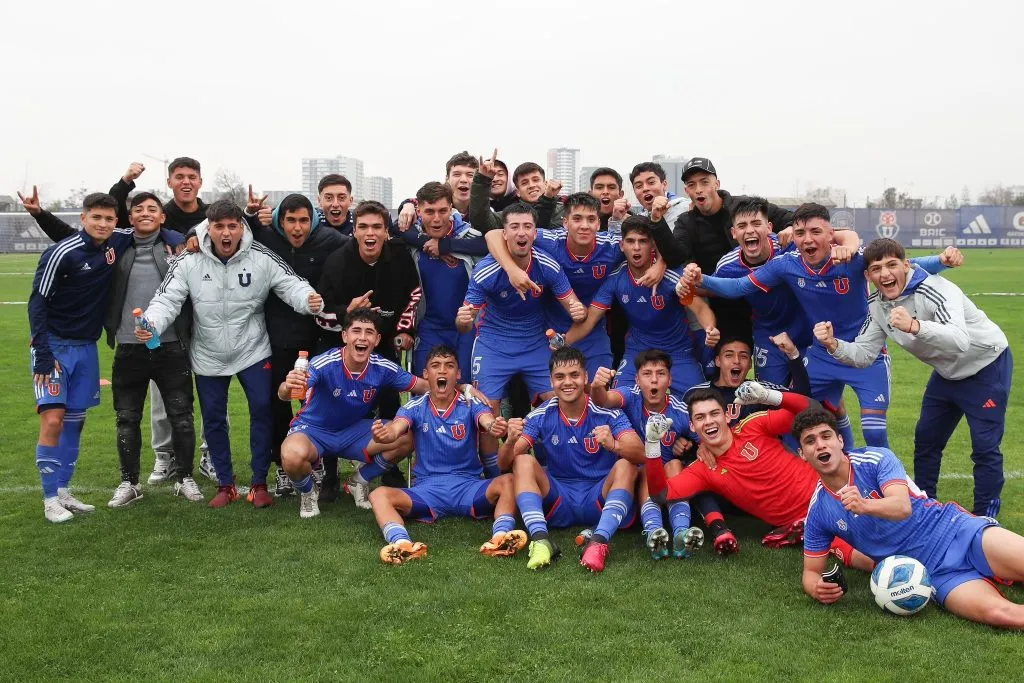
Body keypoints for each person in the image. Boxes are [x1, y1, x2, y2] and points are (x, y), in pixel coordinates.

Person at [686, 202, 960, 449]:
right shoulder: (786, 265)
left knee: (874, 433)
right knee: (797, 418)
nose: (808, 239)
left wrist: (941, 261)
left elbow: (898, 265)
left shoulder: (850, 259)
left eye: (816, 232)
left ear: (831, 235)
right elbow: (737, 286)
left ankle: (886, 489)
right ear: (793, 236)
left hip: (867, 353)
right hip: (822, 355)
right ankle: (803, 483)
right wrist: (702, 279)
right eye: (801, 233)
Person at [137, 200, 322, 509]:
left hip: (253, 350)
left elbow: (290, 283)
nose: (226, 233)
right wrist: (151, 323)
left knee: (262, 412)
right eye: (219, 227)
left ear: (241, 228)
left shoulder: (261, 257)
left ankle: (259, 483)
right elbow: (167, 298)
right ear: (209, 229)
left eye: (232, 226)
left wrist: (308, 299)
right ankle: (226, 485)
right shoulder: (190, 260)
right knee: (213, 420)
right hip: (208, 354)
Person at [814, 238, 1011, 518]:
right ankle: (925, 509)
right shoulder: (877, 305)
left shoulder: (936, 289)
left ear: (907, 265)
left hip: (986, 366)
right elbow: (865, 354)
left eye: (892, 265)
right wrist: (833, 344)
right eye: (877, 268)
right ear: (868, 276)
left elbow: (960, 340)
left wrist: (915, 326)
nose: (885, 274)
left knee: (984, 447)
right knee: (927, 440)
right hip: (946, 373)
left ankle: (985, 519)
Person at [795, 407, 1024, 630]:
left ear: (840, 441)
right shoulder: (819, 511)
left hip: (958, 532)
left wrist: (864, 505)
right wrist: (815, 587)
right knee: (1002, 613)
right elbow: (811, 572)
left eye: (826, 436)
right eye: (810, 441)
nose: (821, 444)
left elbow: (902, 507)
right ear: (802, 454)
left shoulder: (876, 459)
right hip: (934, 574)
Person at [644, 383, 854, 552]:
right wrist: (652, 445)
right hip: (809, 523)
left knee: (876, 523)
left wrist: (770, 397)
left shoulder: (753, 426)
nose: (708, 422)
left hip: (835, 491)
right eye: (700, 417)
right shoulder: (703, 468)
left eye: (714, 413)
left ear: (726, 415)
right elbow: (660, 494)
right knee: (856, 552)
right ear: (692, 426)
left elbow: (813, 411)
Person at [365, 344, 527, 564]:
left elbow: (486, 421)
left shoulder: (470, 403)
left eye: (449, 366)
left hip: (468, 487)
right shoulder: (414, 406)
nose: (442, 371)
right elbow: (396, 428)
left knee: (509, 481)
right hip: (428, 491)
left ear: (458, 374)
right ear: (426, 374)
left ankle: (500, 538)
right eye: (435, 366)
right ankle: (402, 544)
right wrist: (386, 434)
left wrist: (494, 426)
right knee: (378, 494)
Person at [28, 192, 136, 522]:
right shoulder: (61, 253)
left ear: (116, 221)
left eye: (109, 218)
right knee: (53, 420)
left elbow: (154, 226)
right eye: (96, 217)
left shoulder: (117, 241)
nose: (103, 224)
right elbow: (37, 303)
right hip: (54, 347)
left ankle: (62, 491)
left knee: (75, 422)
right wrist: (43, 353)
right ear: (83, 219)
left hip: (86, 348)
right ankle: (49, 501)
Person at [499, 347, 645, 572]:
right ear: (551, 381)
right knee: (522, 461)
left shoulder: (606, 411)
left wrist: (614, 445)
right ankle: (541, 540)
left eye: (574, 375)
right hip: (559, 499)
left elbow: (640, 452)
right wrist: (509, 441)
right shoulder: (542, 414)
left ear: (585, 377)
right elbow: (505, 464)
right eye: (560, 377)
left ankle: (598, 543)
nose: (567, 382)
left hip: (599, 497)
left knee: (626, 464)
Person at [243, 191, 349, 496]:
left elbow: (360, 251)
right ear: (280, 220)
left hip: (317, 337)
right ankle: (283, 466)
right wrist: (250, 215)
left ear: (313, 221)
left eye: (303, 220)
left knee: (318, 403)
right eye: (290, 220)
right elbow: (227, 230)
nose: (297, 227)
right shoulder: (266, 237)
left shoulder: (330, 240)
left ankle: (324, 469)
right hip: (276, 336)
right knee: (278, 403)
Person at [316, 200, 422, 499]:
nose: (370, 233)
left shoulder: (399, 256)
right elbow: (320, 311)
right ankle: (331, 472)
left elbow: (414, 295)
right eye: (363, 227)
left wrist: (403, 329)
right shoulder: (337, 261)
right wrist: (345, 311)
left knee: (390, 400)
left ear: (386, 231)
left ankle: (387, 467)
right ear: (354, 231)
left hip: (385, 341)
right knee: (334, 406)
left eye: (377, 226)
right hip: (343, 343)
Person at [277, 309, 429, 516]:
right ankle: (308, 492)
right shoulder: (325, 363)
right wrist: (287, 386)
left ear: (377, 339)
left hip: (352, 431)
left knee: (406, 436)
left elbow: (422, 386)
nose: (362, 337)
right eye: (356, 330)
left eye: (369, 332)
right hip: (314, 430)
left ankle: (359, 480)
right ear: (345, 336)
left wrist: (464, 389)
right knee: (291, 455)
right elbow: (287, 393)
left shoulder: (383, 367)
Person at [711, 197, 858, 385]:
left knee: (819, 399)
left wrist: (849, 247)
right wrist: (691, 282)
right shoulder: (727, 266)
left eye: (756, 223)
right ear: (734, 232)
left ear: (769, 227)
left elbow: (840, 235)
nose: (749, 230)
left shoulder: (789, 245)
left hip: (808, 332)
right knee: (770, 396)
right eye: (742, 226)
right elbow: (713, 289)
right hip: (769, 336)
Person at [565, 215, 717, 395]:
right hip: (637, 352)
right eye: (630, 241)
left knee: (699, 401)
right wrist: (562, 342)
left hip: (677, 352)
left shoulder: (671, 276)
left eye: (642, 241)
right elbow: (590, 319)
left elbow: (700, 308)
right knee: (617, 400)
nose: (636, 247)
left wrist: (710, 329)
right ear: (622, 246)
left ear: (653, 245)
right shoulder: (616, 279)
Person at [589, 351, 706, 560]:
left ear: (669, 380)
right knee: (646, 469)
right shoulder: (630, 395)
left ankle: (680, 534)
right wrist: (597, 386)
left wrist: (696, 447)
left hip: (668, 484)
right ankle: (653, 532)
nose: (654, 380)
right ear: (637, 379)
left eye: (661, 374)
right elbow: (604, 400)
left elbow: (706, 439)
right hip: (631, 481)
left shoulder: (679, 410)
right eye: (647, 374)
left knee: (674, 465)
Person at [533, 191, 647, 377]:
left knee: (598, 388)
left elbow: (652, 246)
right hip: (548, 330)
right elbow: (497, 235)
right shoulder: (549, 241)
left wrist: (659, 266)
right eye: (577, 218)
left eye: (591, 219)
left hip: (592, 330)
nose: (584, 226)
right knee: (556, 394)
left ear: (599, 223)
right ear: (565, 222)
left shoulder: (612, 247)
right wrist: (513, 271)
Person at [405, 182, 487, 376]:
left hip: (467, 329)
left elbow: (491, 243)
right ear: (418, 211)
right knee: (427, 387)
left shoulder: (470, 238)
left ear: (451, 208)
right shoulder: (411, 243)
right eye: (429, 211)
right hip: (429, 328)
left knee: (466, 388)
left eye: (442, 211)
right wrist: (405, 205)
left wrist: (446, 245)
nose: (436, 219)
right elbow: (392, 229)